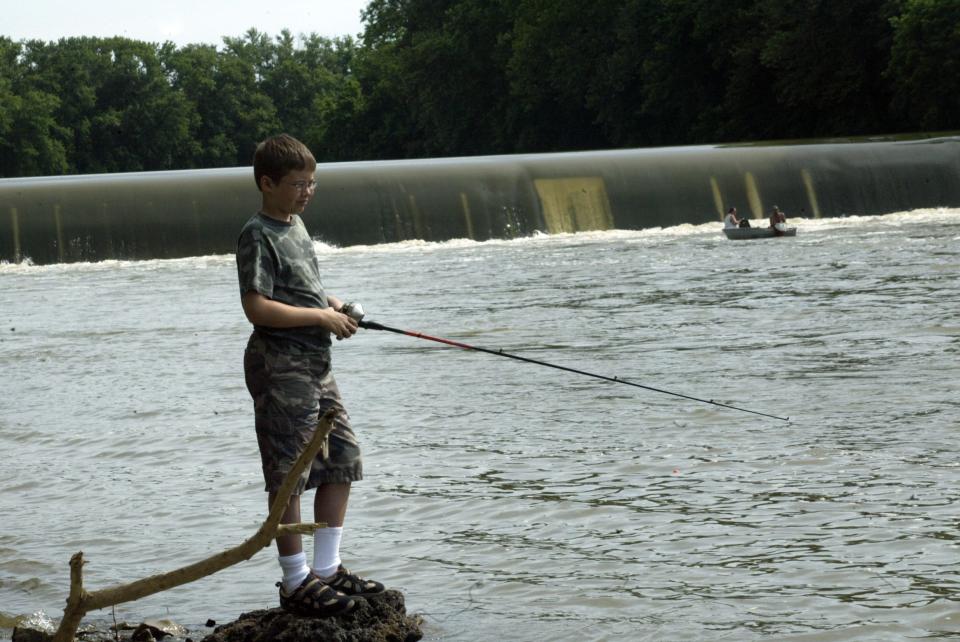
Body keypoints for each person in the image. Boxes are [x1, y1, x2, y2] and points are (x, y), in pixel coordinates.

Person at [236, 134, 385, 618]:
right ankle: (296, 580)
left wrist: (336, 305)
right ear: (267, 183)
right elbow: (256, 307)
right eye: (298, 184)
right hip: (281, 368)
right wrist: (321, 318)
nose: (308, 192)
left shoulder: (296, 225)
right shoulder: (257, 233)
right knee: (291, 474)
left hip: (317, 366)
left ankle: (327, 569)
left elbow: (304, 289)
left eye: (312, 182)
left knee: (343, 457)